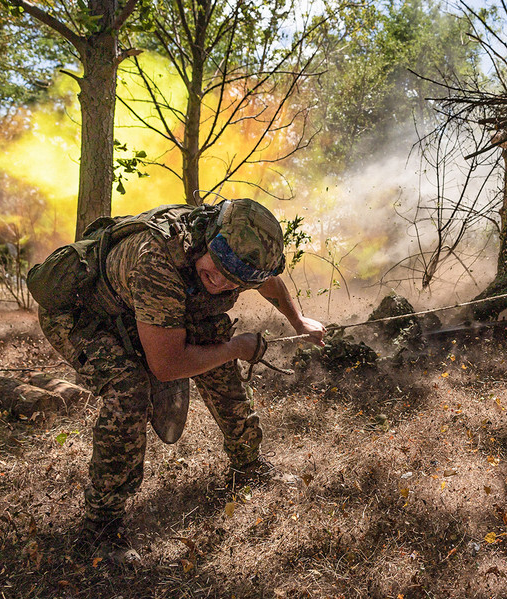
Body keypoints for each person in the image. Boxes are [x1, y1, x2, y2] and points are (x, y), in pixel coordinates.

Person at [36, 199, 325, 564]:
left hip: (149, 306)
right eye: (218, 266)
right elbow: (167, 365)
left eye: (236, 279)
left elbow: (268, 280)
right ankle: (101, 528)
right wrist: (236, 347)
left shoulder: (239, 249)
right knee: (129, 389)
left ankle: (248, 464)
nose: (220, 281)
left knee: (215, 355)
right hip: (86, 315)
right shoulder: (156, 261)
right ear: (209, 237)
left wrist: (299, 322)